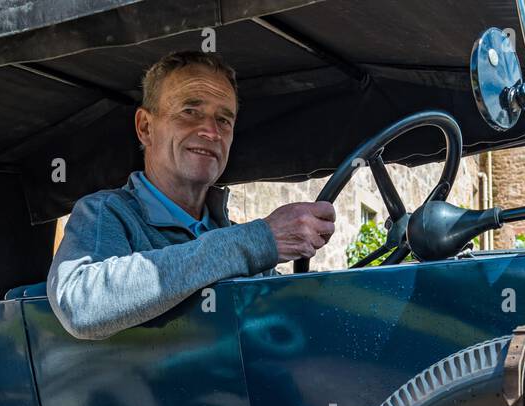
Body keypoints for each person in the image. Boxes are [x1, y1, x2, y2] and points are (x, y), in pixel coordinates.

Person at [47, 50, 337, 340]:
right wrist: (259, 240)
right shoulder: (107, 213)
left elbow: (289, 316)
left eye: (224, 120)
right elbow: (80, 305)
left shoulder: (230, 234)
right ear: (146, 127)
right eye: (190, 111)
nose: (211, 132)